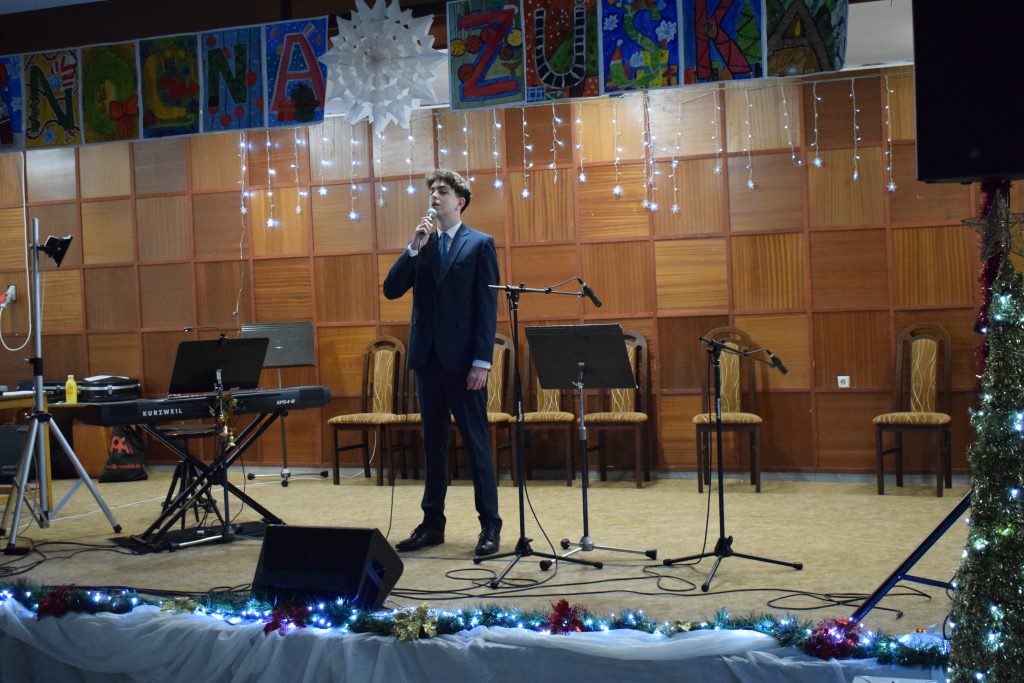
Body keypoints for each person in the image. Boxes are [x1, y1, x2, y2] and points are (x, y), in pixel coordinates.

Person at [383, 170, 502, 557]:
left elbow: (486, 308)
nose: (435, 196)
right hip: (427, 360)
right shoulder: (423, 243)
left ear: (460, 201)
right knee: (433, 447)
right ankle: (432, 524)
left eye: (443, 191)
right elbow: (391, 289)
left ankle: (490, 526)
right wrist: (412, 248)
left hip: (465, 363)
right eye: (432, 191)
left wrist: (482, 361)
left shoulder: (480, 244)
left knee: (476, 445)